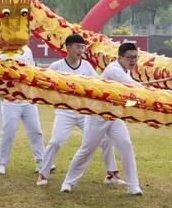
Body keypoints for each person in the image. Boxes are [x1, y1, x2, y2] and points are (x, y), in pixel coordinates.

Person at [36, 34, 124, 187]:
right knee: (55, 141)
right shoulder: (56, 66)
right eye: (77, 46)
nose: (81, 50)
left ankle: (111, 175)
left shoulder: (87, 66)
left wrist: (115, 86)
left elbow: (100, 84)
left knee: (105, 139)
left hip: (85, 113)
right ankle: (43, 174)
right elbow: (43, 82)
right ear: (68, 48)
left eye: (82, 47)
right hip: (65, 112)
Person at [60, 42, 143, 196]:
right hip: (98, 116)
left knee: (125, 144)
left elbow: (126, 99)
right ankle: (68, 182)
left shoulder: (126, 72)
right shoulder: (114, 70)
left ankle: (133, 186)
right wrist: (152, 93)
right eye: (129, 57)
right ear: (120, 57)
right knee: (87, 149)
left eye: (135, 58)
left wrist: (137, 101)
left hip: (114, 116)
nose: (133, 61)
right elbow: (132, 88)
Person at [0, 45, 45, 175]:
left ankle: (40, 162)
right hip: (11, 101)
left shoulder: (27, 49)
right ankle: (1, 163)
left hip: (28, 99)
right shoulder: (1, 52)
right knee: (8, 133)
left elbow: (32, 70)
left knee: (36, 131)